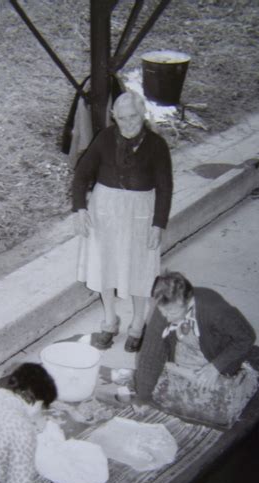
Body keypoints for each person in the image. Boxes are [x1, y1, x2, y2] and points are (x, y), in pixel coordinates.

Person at [72, 91, 173, 352]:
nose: (128, 123)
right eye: (122, 118)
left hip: (140, 213)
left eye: (134, 117)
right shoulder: (105, 138)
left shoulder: (157, 145)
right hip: (104, 211)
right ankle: (109, 322)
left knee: (139, 269)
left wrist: (158, 224)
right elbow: (82, 174)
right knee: (104, 266)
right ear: (114, 117)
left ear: (143, 115)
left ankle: (138, 324)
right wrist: (80, 209)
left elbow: (165, 187)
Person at [135, 271, 257, 416]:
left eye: (172, 313)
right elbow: (150, 353)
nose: (166, 318)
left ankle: (182, 370)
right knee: (158, 379)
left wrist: (215, 367)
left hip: (214, 352)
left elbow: (247, 336)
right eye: (163, 312)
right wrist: (143, 397)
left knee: (216, 399)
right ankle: (179, 369)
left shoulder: (214, 308)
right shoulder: (166, 306)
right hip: (188, 349)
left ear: (188, 301)